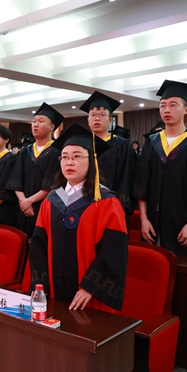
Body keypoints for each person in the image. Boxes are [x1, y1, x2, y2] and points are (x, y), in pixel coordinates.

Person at [30, 124, 127, 312]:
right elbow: (38, 246)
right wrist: (40, 284)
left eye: (76, 156)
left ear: (92, 161)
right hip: (54, 292)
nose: (69, 162)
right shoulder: (51, 201)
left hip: (87, 296)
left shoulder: (106, 202)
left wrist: (91, 287)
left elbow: (114, 251)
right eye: (65, 157)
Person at [133, 80, 187, 257]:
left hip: (184, 222)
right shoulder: (152, 143)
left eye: (173, 105)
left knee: (182, 267)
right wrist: (143, 220)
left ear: (186, 109)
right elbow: (142, 185)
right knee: (153, 263)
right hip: (152, 222)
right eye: (162, 105)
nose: (166, 110)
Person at [6, 102, 64, 237]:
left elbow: (52, 184)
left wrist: (29, 201)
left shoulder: (57, 152)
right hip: (23, 208)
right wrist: (23, 202)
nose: (35, 125)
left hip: (46, 206)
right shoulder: (25, 152)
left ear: (52, 127)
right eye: (34, 121)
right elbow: (16, 179)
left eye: (40, 121)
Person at [82, 91, 137, 218]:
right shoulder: (82, 145)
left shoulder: (122, 145)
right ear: (88, 120)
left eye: (102, 114)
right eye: (93, 115)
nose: (97, 118)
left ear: (111, 120)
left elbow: (126, 178)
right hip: (83, 204)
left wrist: (120, 207)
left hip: (113, 206)